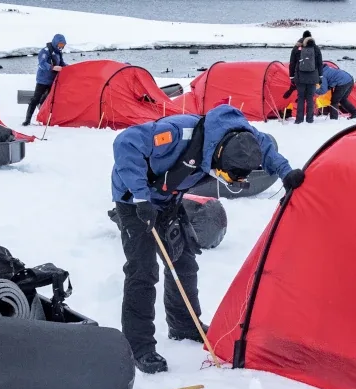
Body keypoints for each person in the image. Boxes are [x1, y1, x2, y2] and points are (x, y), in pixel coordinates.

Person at [110, 105, 300, 373]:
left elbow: (265, 147)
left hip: (168, 199)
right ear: (218, 156)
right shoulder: (178, 134)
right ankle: (138, 345)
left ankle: (183, 324)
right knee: (143, 270)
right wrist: (141, 197)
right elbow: (126, 143)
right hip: (135, 199)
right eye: (227, 176)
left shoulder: (243, 137)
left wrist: (286, 172)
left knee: (184, 262)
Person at [24, 33, 67, 124]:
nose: (61, 47)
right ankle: (27, 120)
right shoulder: (45, 51)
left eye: (63, 45)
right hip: (42, 80)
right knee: (35, 99)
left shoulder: (58, 53)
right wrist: (52, 67)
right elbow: (42, 63)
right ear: (55, 42)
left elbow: (62, 63)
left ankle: (45, 117)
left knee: (49, 99)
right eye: (60, 44)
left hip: (52, 81)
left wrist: (70, 67)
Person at [288, 30, 325, 123]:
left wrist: (291, 77)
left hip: (300, 77)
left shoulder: (296, 48)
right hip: (313, 78)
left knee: (300, 98)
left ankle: (299, 120)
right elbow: (320, 64)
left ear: (302, 37)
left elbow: (292, 63)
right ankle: (309, 119)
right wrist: (320, 76)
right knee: (310, 98)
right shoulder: (316, 48)